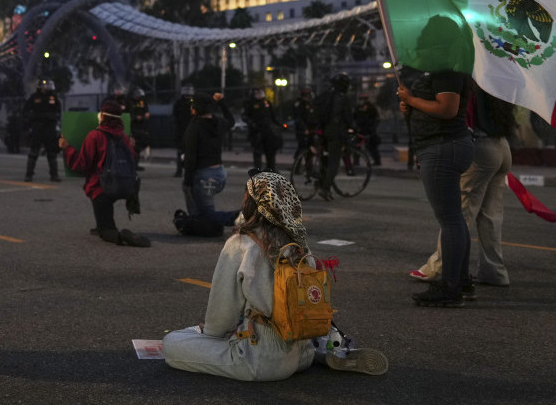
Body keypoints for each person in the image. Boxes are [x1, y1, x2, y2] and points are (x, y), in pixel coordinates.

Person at [162, 172, 388, 380]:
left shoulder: (241, 243)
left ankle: (312, 350)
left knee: (172, 343)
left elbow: (221, 315)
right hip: (302, 354)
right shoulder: (299, 243)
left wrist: (209, 332)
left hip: (261, 359)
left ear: (251, 204)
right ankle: (322, 350)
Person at [397, 15, 475, 307]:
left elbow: (447, 109)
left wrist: (412, 100)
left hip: (443, 147)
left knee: (450, 220)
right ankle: (462, 282)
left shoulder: (445, 67)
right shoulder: (442, 67)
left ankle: (451, 288)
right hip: (444, 146)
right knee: (455, 218)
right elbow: (435, 106)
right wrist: (411, 106)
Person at [414, 88, 516, 287]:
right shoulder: (498, 81)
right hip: (502, 147)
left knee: (460, 213)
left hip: (481, 149)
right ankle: (494, 271)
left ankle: (439, 267)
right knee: (491, 215)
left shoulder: (471, 85)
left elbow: (456, 117)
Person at [58, 98, 150, 246]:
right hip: (124, 185)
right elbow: (132, 160)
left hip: (102, 187)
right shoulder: (124, 137)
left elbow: (81, 164)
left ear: (103, 116)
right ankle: (101, 223)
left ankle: (119, 235)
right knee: (104, 210)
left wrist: (67, 148)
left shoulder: (95, 135)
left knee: (106, 228)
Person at [180, 92, 239, 230]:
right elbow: (231, 121)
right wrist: (222, 103)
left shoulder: (194, 128)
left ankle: (240, 217)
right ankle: (202, 225)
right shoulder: (218, 123)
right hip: (220, 174)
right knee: (205, 214)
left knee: (207, 215)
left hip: (205, 177)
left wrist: (187, 181)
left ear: (196, 109)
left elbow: (191, 158)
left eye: (192, 106)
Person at [312, 73, 355, 200]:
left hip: (324, 131)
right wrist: (355, 128)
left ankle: (321, 182)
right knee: (334, 163)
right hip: (336, 132)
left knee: (325, 159)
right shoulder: (343, 98)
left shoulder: (327, 96)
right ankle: (325, 189)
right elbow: (348, 118)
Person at [23, 79, 62, 182]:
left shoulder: (53, 97)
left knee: (52, 152)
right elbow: (26, 111)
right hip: (38, 127)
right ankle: (29, 175)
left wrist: (53, 117)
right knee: (34, 152)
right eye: (46, 86)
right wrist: (32, 118)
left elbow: (58, 112)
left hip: (50, 128)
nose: (47, 88)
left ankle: (54, 175)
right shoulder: (34, 97)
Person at [242, 88, 283, 172]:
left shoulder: (267, 103)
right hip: (256, 132)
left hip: (268, 131)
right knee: (258, 152)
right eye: (257, 93)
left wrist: (280, 124)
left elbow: (273, 116)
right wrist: (252, 124)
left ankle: (271, 169)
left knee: (270, 151)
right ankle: (258, 170)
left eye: (260, 92)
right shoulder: (250, 103)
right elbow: (245, 116)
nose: (259, 94)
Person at [172, 85, 196, 177]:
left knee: (190, 152)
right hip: (181, 130)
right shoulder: (179, 103)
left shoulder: (194, 103)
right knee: (181, 152)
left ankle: (188, 169)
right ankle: (179, 170)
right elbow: (175, 117)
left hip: (191, 130)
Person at [352, 95, 382, 165]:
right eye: (361, 99)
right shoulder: (358, 108)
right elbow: (354, 117)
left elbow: (376, 119)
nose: (362, 101)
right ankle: (356, 162)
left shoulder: (371, 107)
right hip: (360, 129)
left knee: (371, 146)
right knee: (357, 145)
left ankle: (377, 161)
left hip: (369, 130)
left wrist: (372, 128)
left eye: (363, 99)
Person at [127, 87, 152, 170]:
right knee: (133, 146)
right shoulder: (129, 102)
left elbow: (146, 111)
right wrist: (135, 117)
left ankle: (135, 164)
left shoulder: (142, 102)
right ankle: (132, 164)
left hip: (142, 126)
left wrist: (145, 116)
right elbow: (128, 113)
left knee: (140, 145)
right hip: (133, 126)